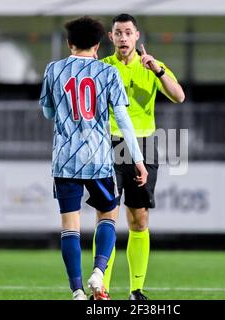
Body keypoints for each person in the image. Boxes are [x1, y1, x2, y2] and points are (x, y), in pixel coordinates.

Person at [39, 16, 148, 300]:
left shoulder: (53, 70)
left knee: (69, 226)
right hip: (98, 158)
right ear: (98, 45)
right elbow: (123, 120)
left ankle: (76, 291)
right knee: (108, 215)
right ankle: (99, 272)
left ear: (69, 43)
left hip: (65, 159)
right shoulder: (108, 73)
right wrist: (137, 159)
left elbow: (48, 113)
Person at [93, 13, 185, 300]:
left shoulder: (152, 67)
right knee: (106, 216)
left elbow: (179, 96)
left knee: (139, 220)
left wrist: (157, 69)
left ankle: (136, 290)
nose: (122, 38)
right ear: (111, 37)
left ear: (136, 36)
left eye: (127, 32)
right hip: (108, 143)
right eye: (118, 33)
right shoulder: (101, 68)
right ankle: (101, 289)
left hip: (144, 146)